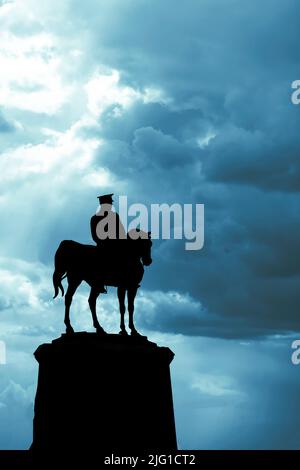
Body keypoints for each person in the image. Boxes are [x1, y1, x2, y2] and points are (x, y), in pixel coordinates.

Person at [90, 194, 126, 292]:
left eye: (110, 203)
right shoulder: (95, 218)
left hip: (116, 246)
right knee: (101, 263)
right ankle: (99, 282)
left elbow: (121, 232)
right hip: (102, 247)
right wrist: (105, 243)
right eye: (109, 203)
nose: (110, 205)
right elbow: (94, 236)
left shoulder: (115, 216)